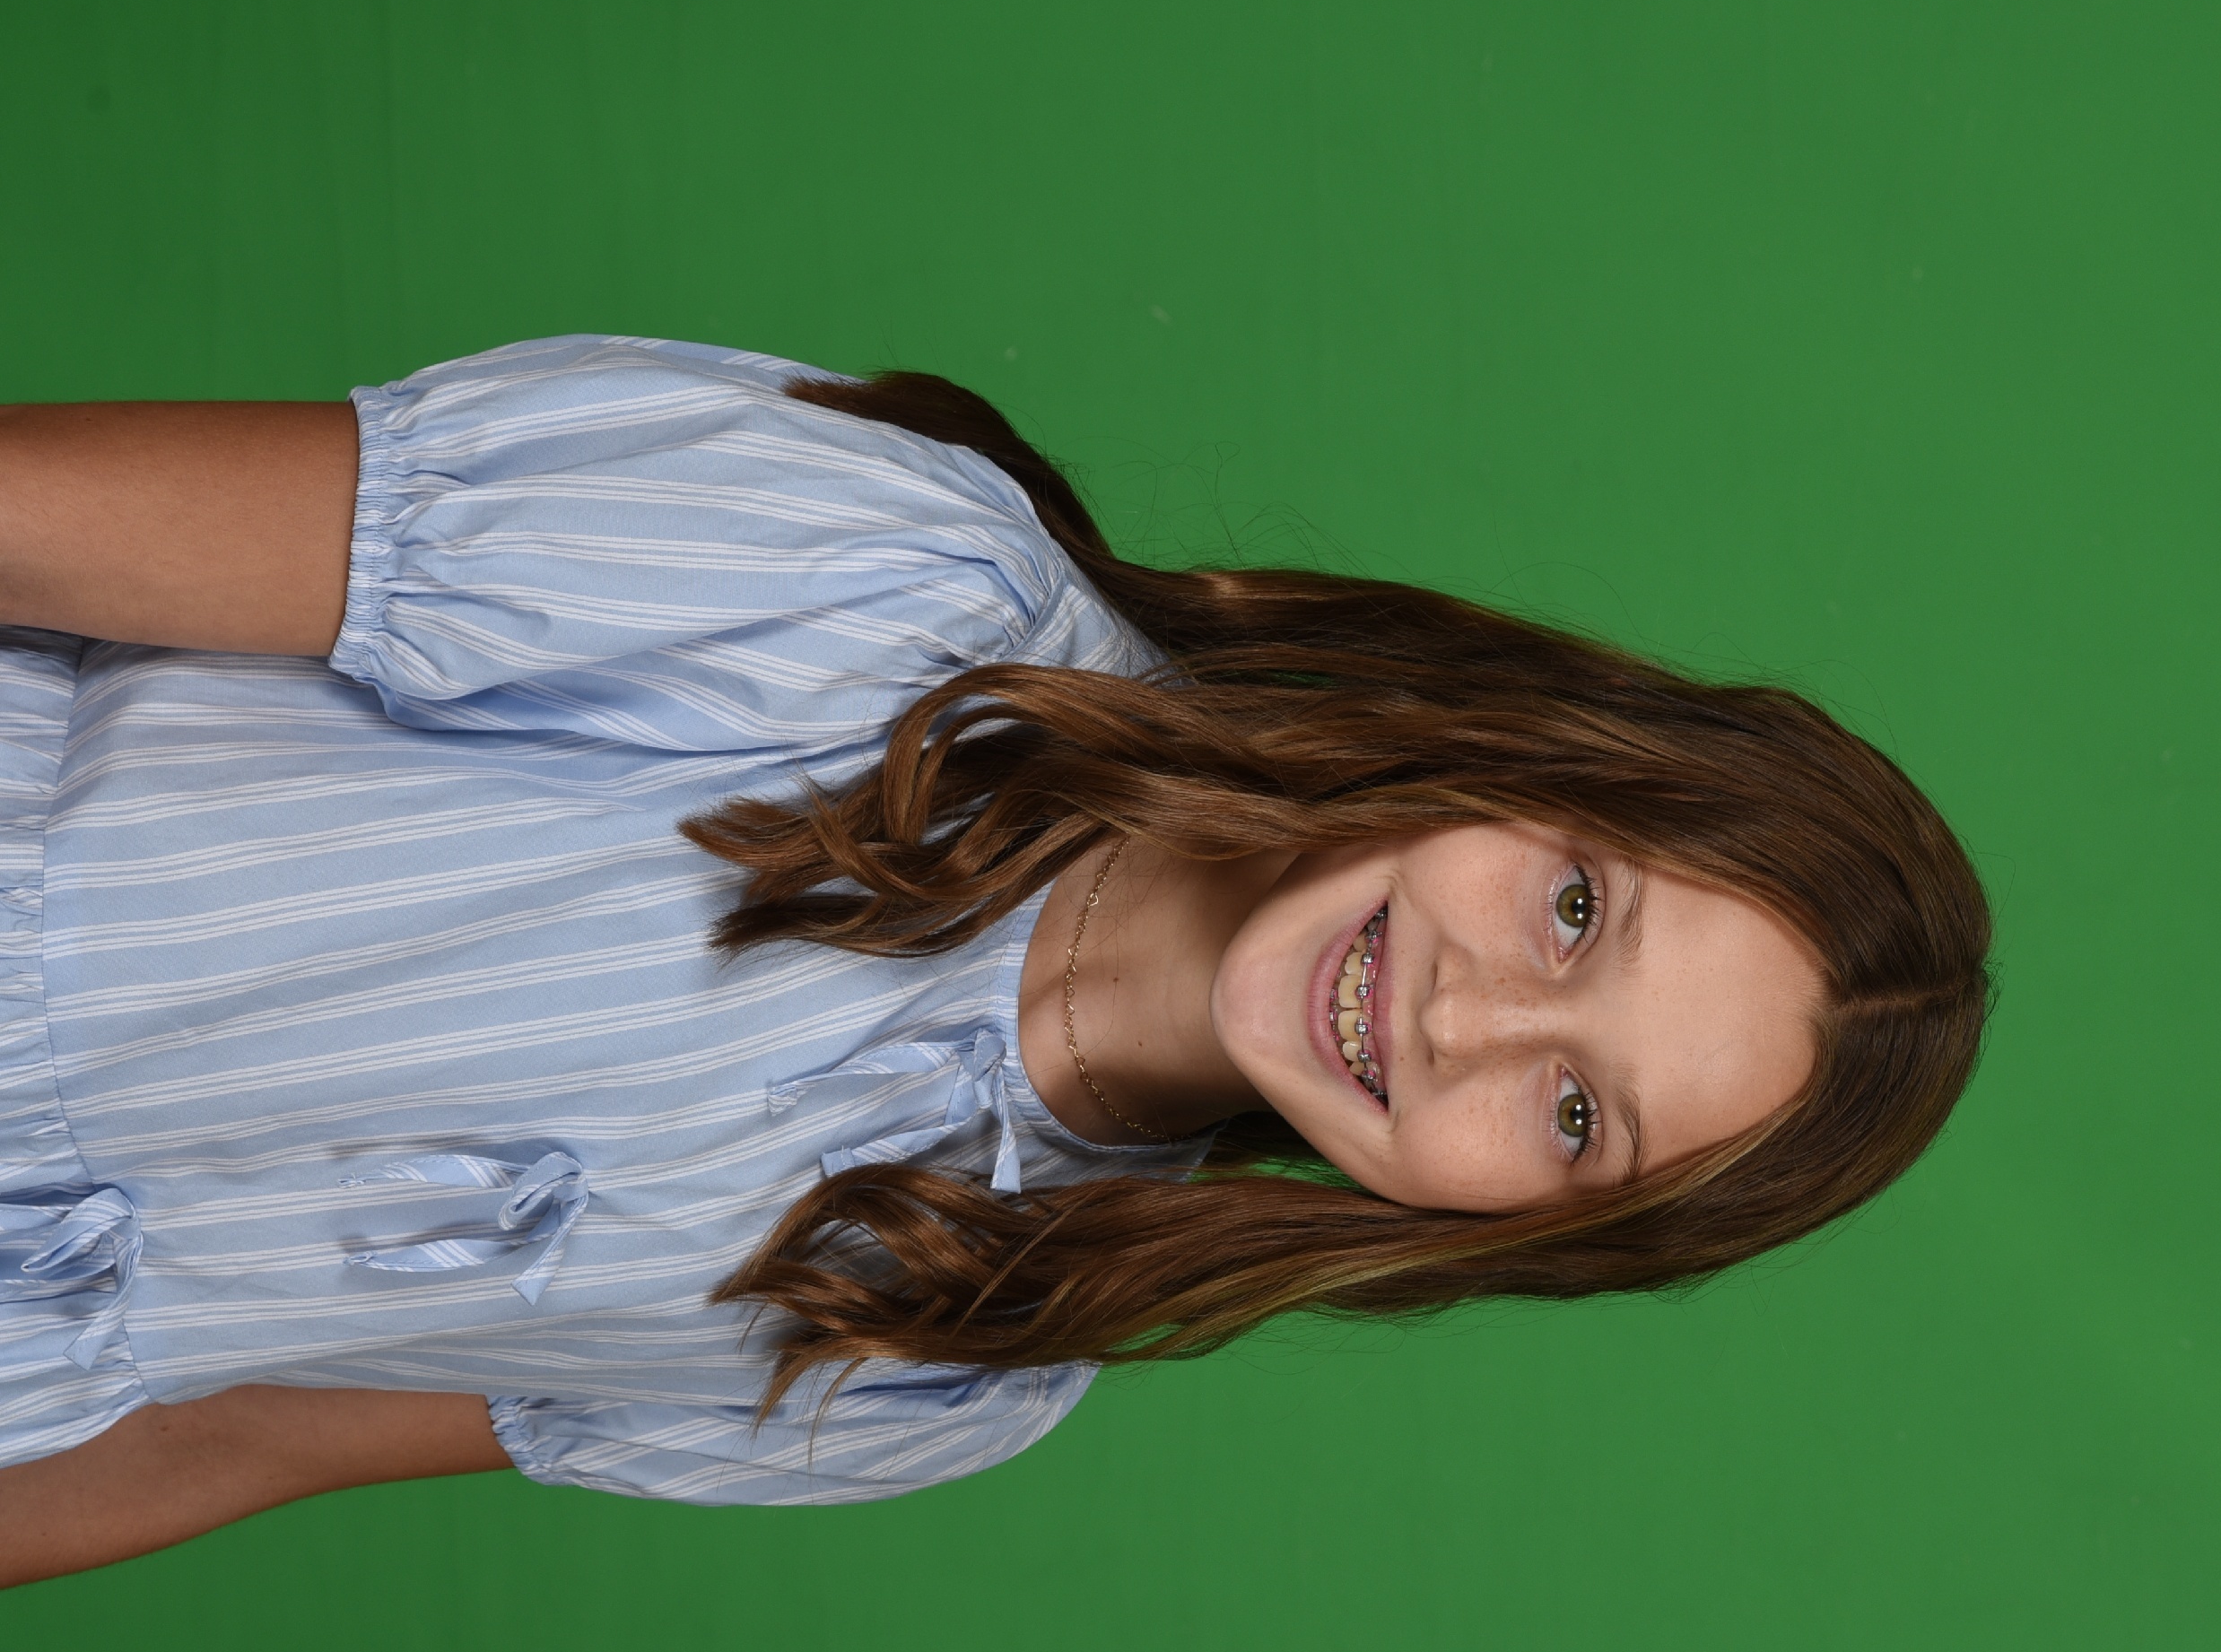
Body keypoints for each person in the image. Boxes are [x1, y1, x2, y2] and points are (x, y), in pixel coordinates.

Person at [0, 336, 1989, 1587]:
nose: (1470, 1015)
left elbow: (225, 1431)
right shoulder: (896, 591)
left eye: (1573, 1114)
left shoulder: (952, 1364)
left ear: (1525, 1235)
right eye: (1575, 910)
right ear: (1534, 756)